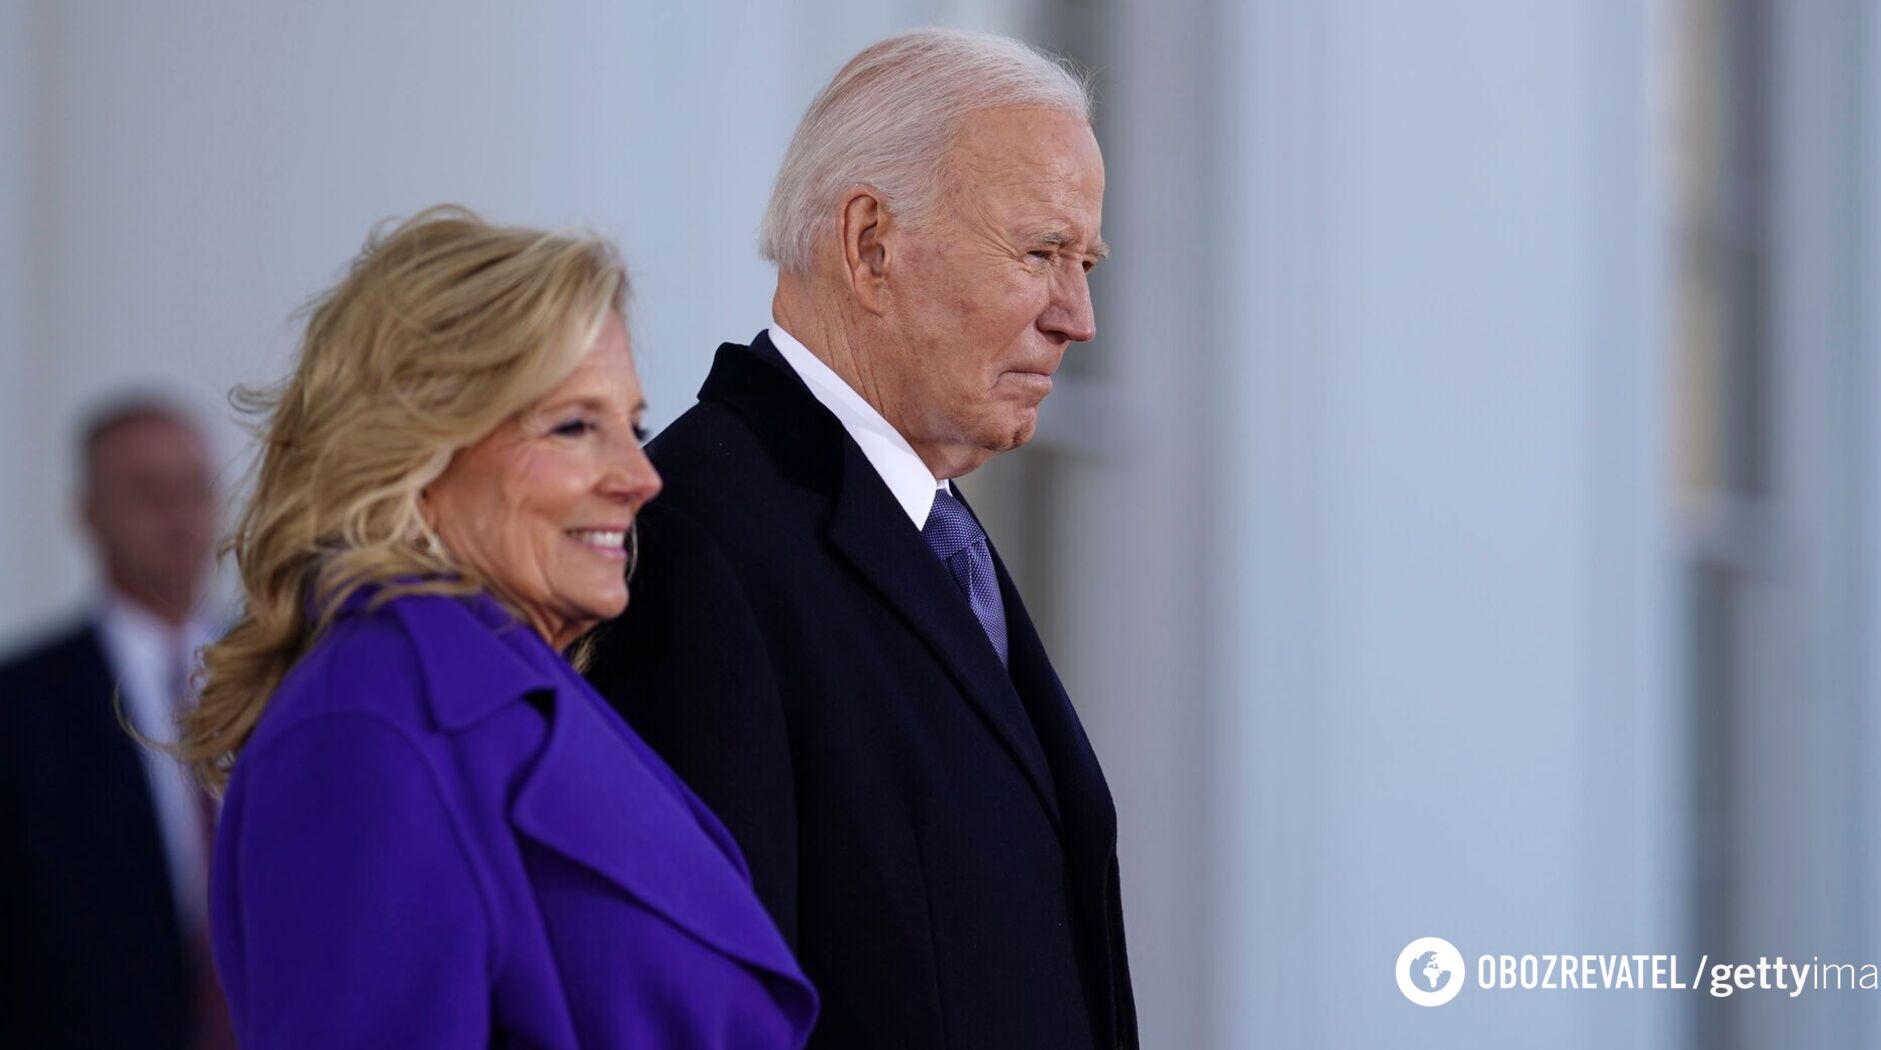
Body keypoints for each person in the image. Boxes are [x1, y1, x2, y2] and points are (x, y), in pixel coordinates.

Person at [589, 29, 1135, 1050]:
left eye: (1087, 262)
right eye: (1041, 254)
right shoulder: (697, 545)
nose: (1078, 316)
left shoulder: (929, 523)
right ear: (871, 244)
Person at [180, 207, 815, 1048]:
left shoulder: (522, 704)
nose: (640, 477)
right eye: (575, 426)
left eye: (632, 427)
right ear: (416, 450)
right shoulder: (363, 730)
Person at [0, 399, 233, 1049]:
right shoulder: (21, 705)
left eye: (195, 488)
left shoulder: (284, 677)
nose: (178, 514)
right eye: (147, 492)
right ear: (88, 513)